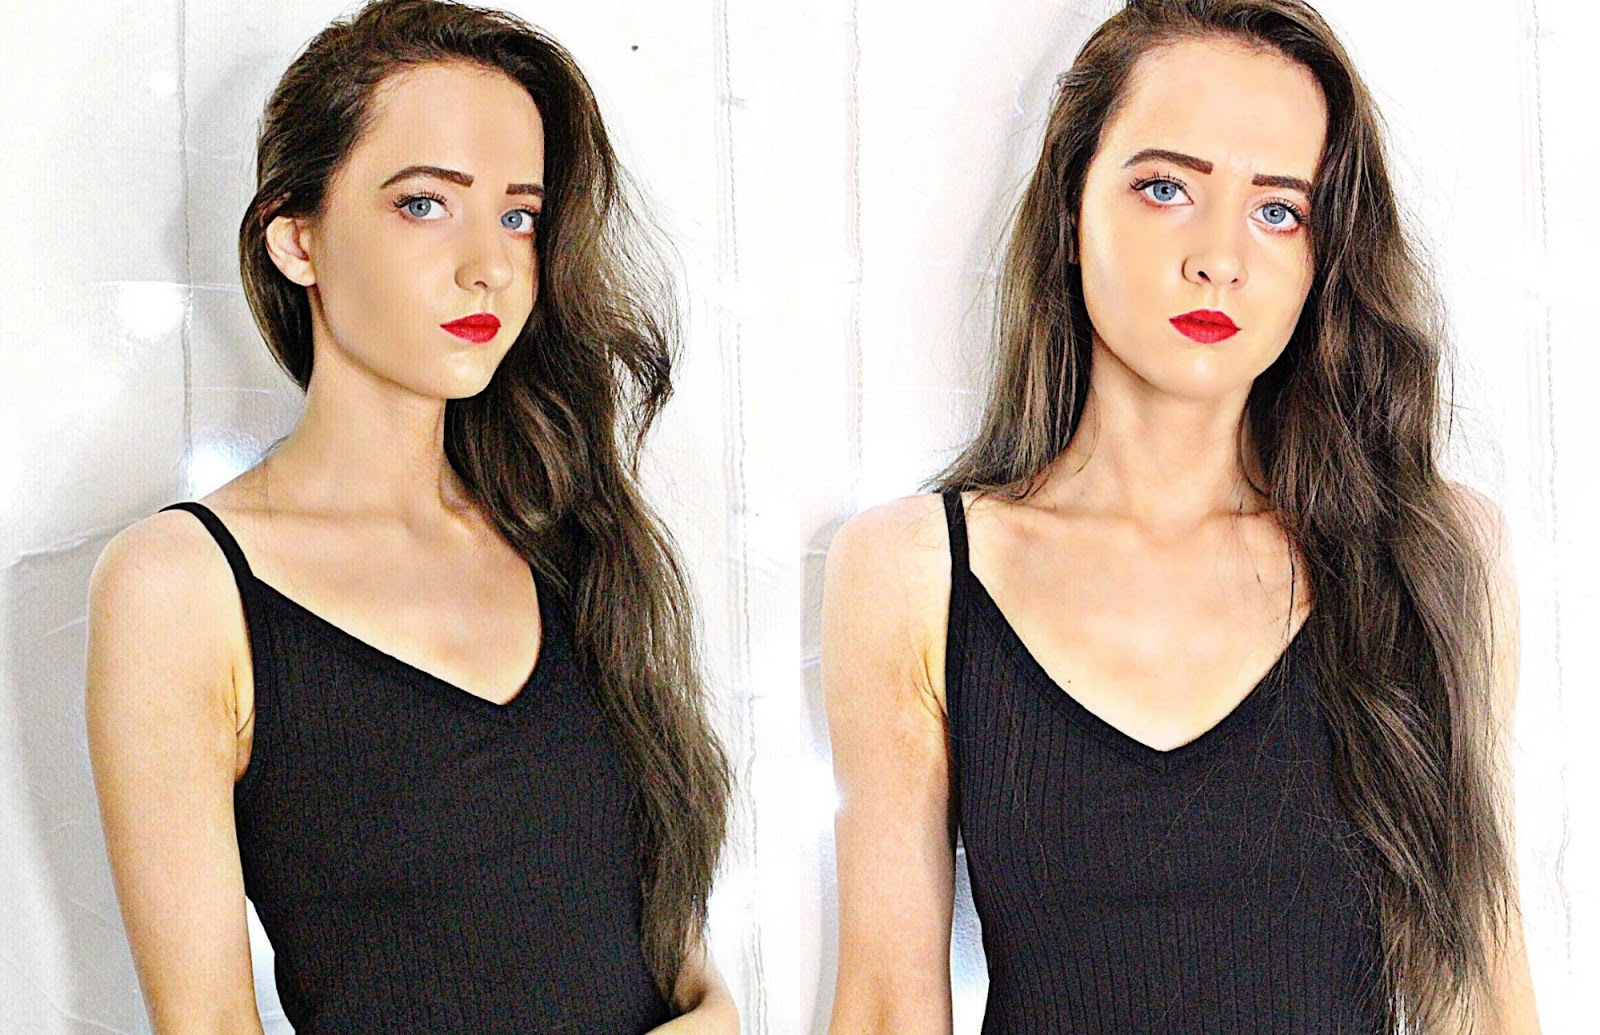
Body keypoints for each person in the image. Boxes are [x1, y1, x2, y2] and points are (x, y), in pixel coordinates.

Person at [822, 1, 1539, 1032]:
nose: (1219, 257)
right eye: (1166, 188)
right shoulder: (910, 571)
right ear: (1070, 213)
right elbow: (888, 1007)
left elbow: (1483, 991)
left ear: (1322, 259)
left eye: (1277, 211)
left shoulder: (1431, 557)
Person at [83, 1, 734, 1031]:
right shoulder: (180, 586)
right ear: (296, 237)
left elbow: (681, 960)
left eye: (519, 216)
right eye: (426, 204)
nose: (490, 264)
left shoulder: (573, 539)